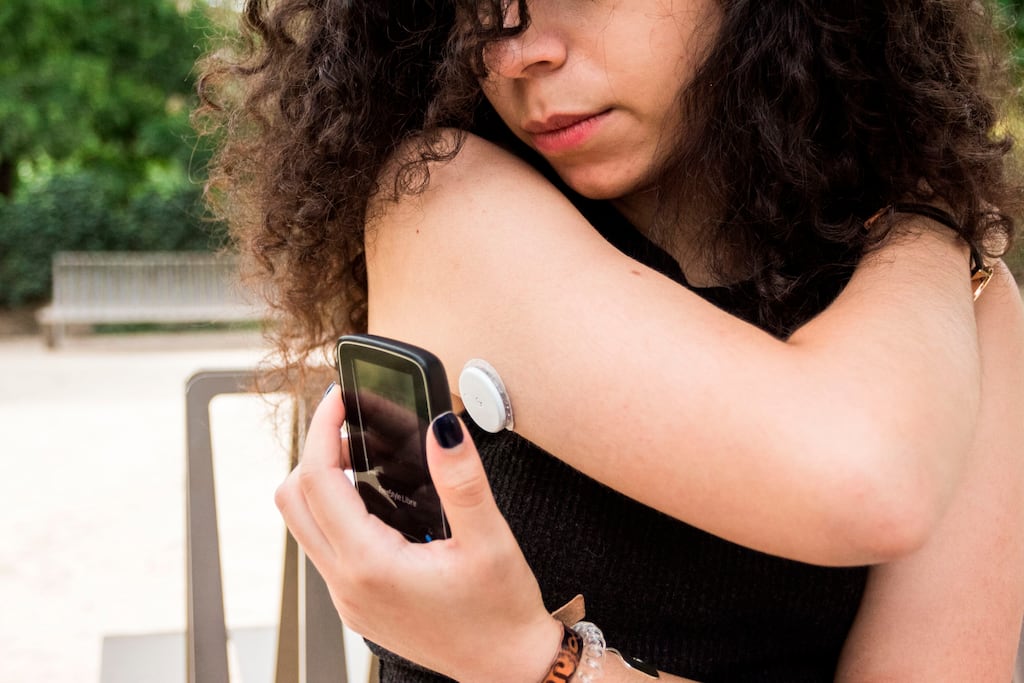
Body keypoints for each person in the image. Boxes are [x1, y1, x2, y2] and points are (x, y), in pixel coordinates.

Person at [197, 0, 1024, 680]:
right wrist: (934, 222)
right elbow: (868, 473)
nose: (515, 49)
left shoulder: (964, 306)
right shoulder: (441, 200)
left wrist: (534, 661)